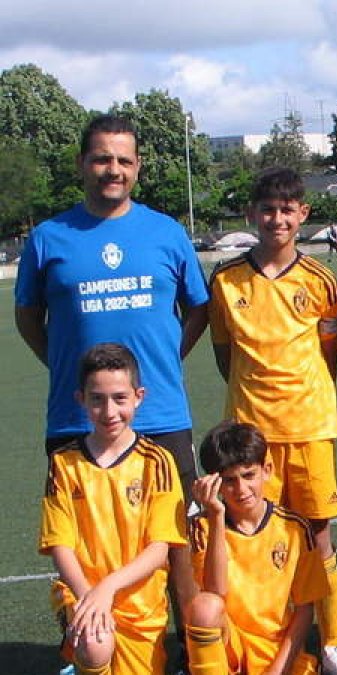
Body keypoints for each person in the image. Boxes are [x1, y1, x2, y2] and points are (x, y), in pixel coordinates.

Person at [15, 113, 207, 668]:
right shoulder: (49, 238)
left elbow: (198, 309)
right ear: (82, 164)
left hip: (160, 415)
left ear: (138, 167)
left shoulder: (166, 232)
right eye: (102, 158)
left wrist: (161, 365)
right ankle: (89, 651)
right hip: (77, 418)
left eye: (124, 160)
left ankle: (190, 656)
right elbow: (28, 317)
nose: (113, 169)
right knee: (83, 547)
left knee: (179, 546)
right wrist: (69, 372)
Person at [207, 167, 337, 675]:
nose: (277, 219)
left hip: (309, 426)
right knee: (251, 533)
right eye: (268, 209)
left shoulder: (320, 280)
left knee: (318, 534)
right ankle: (256, 644)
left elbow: (328, 350)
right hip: (251, 435)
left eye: (287, 209)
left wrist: (304, 395)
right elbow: (225, 354)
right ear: (252, 213)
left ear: (303, 214)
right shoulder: (226, 280)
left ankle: (334, 643)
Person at [40, 343, 187, 675]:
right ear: (81, 399)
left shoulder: (157, 462)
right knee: (95, 643)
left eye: (120, 398)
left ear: (138, 397)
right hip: (81, 591)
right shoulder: (64, 463)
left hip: (139, 602)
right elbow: (59, 544)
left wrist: (108, 589)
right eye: (97, 399)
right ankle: (85, 658)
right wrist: (89, 596)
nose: (109, 411)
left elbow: (159, 548)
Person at [185, 420, 328, 675]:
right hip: (230, 649)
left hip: (278, 654)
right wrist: (216, 516)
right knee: (204, 607)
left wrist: (277, 672)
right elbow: (215, 592)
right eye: (229, 481)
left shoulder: (295, 528)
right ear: (214, 483)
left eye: (249, 475)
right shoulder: (203, 527)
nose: (241, 489)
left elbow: (305, 609)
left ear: (267, 470)